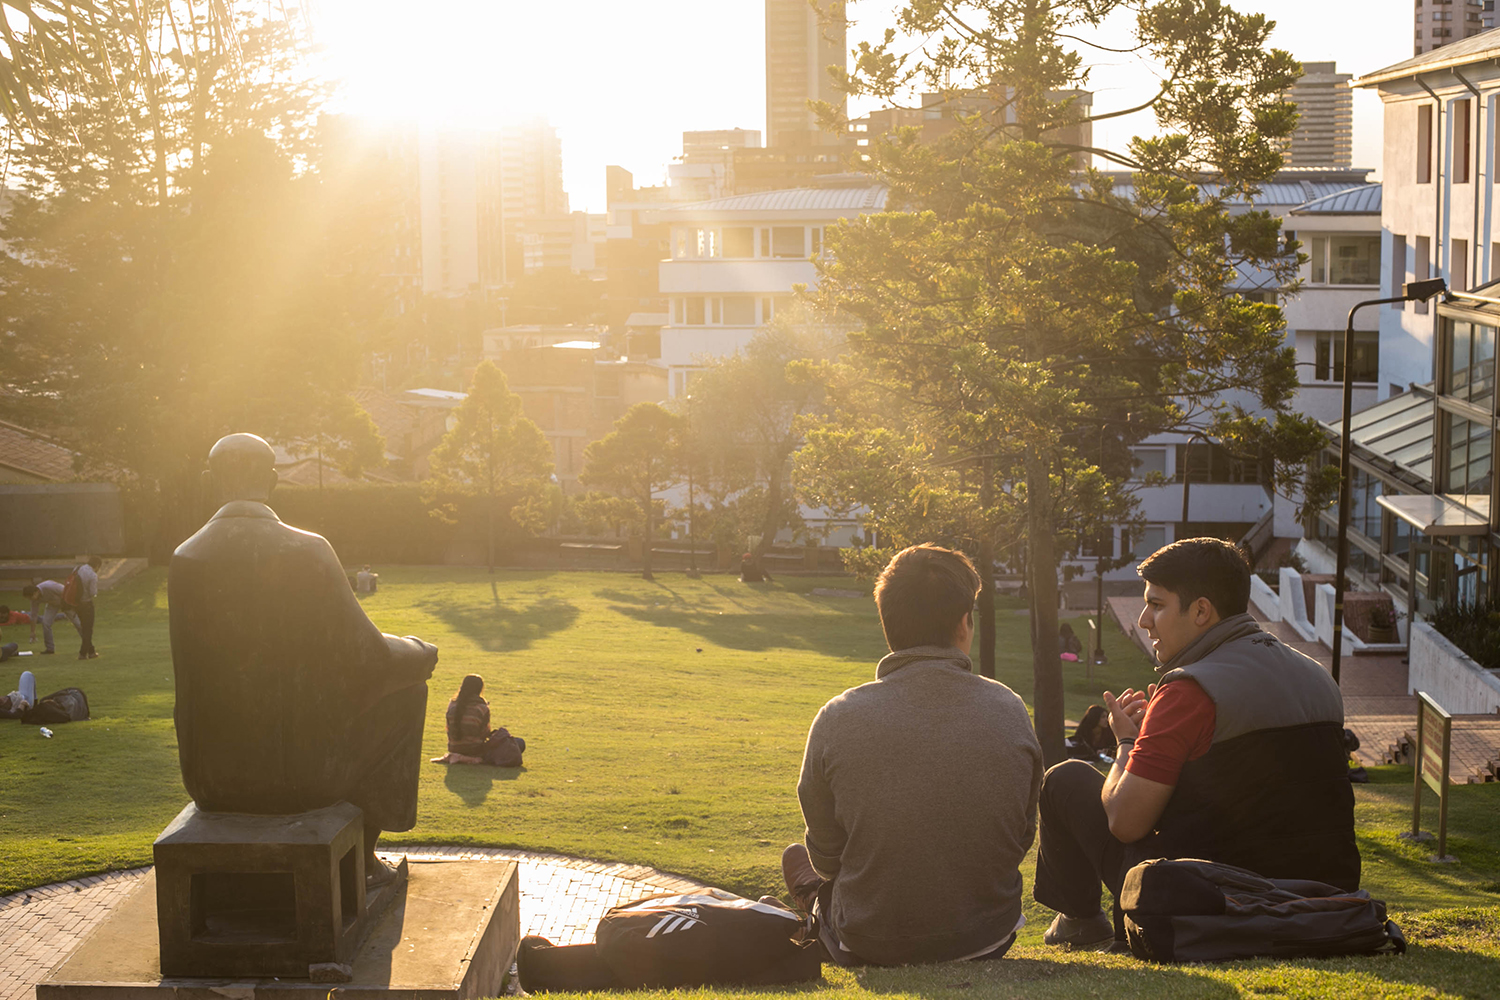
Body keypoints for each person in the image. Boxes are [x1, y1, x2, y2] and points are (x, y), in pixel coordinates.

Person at [1033, 537, 1357, 950]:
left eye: (1158, 605)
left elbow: (1126, 821)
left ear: (1202, 610)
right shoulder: (1319, 678)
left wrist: (1128, 742)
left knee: (1065, 778)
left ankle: (1081, 923)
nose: (1144, 621)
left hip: (1207, 899)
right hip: (1325, 896)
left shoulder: (1190, 690)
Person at [170, 433, 438, 885]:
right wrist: (416, 650)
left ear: (208, 481)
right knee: (408, 695)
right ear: (273, 480)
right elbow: (368, 655)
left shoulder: (186, 557)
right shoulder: (306, 549)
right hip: (300, 776)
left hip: (210, 778)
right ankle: (364, 861)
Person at [782, 543, 1043, 967]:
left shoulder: (837, 717)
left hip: (871, 940)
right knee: (806, 864)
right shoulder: (1009, 707)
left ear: (888, 622)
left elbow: (828, 857)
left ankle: (813, 907)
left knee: (799, 860)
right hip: (987, 935)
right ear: (964, 623)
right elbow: (1020, 836)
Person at [445, 674, 525, 766]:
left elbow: (448, 728)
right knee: (519, 742)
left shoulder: (452, 705)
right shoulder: (482, 707)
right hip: (475, 751)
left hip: (454, 747)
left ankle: (459, 757)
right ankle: (470, 758)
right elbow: (485, 734)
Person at [22, 581, 80, 655]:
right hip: (52, 605)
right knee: (45, 623)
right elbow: (34, 615)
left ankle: (87, 644)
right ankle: (50, 648)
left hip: (65, 602)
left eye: (31, 597)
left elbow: (66, 592)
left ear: (36, 592)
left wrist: (73, 606)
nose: (31, 599)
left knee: (77, 623)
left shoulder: (49, 586)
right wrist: (32, 632)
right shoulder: (34, 600)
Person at [75, 556, 101, 660]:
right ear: (97, 565)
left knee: (85, 628)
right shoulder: (92, 575)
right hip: (87, 604)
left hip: (77, 603)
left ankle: (91, 651)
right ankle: (83, 653)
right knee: (88, 630)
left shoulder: (79, 568)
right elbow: (93, 593)